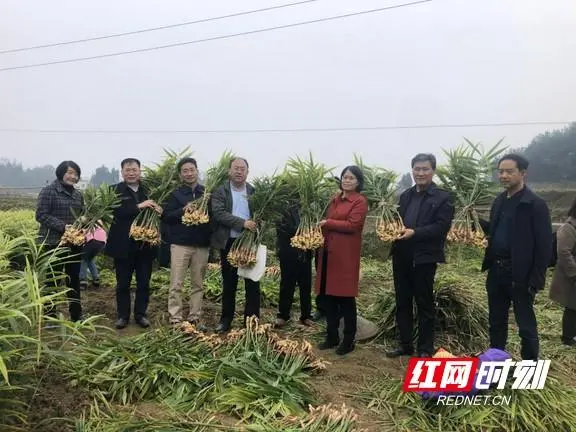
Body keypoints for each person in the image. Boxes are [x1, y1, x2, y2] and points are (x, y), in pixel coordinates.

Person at [481, 154, 552, 360]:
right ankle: (496, 363)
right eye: (501, 171)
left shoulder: (535, 204)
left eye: (509, 171)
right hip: (496, 271)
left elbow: (544, 246)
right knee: (496, 321)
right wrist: (475, 221)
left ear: (523, 173)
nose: (503, 176)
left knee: (525, 326)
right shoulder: (500, 201)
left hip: (520, 275)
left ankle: (529, 367)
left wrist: (536, 280)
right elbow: (494, 232)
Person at [387, 153, 454, 358]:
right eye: (417, 169)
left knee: (424, 303)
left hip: (424, 257)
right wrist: (391, 229)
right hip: (402, 255)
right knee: (402, 301)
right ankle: (405, 345)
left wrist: (415, 233)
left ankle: (424, 349)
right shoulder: (406, 195)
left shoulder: (442, 197)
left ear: (433, 171)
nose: (421, 173)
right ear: (412, 171)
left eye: (425, 169)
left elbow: (441, 227)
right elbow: (398, 220)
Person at [315, 165, 368, 355]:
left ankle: (348, 339)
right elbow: (326, 219)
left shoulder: (360, 201)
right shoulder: (335, 199)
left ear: (358, 182)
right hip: (328, 253)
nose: (347, 180)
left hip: (345, 256)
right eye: (345, 177)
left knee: (346, 299)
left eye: (351, 178)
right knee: (328, 298)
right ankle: (331, 336)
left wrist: (328, 223)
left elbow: (353, 225)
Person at [105, 158, 162, 329]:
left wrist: (159, 209)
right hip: (122, 244)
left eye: (134, 170)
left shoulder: (150, 190)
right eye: (127, 170)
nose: (131, 173)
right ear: (121, 172)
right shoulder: (113, 190)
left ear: (140, 171)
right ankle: (123, 316)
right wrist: (140, 206)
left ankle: (140, 314)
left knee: (144, 282)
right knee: (123, 283)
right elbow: (117, 211)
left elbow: (160, 209)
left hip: (145, 244)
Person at [161, 157, 211, 329]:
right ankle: (175, 317)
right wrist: (183, 210)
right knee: (176, 283)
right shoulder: (176, 194)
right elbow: (166, 216)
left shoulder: (206, 193)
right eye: (185, 171)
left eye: (192, 169)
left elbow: (214, 218)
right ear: (180, 175)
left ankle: (195, 317)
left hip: (201, 245)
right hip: (180, 244)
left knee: (198, 283)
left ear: (197, 171)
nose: (189, 173)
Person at [210, 157, 258, 333]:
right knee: (229, 283)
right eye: (235, 168)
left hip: (249, 243)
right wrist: (243, 223)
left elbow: (261, 214)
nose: (239, 171)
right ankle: (226, 320)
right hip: (229, 241)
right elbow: (218, 213)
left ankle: (252, 321)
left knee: (252, 282)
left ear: (247, 171)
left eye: (242, 168)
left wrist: (257, 223)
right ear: (229, 171)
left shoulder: (254, 191)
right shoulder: (221, 191)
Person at [36, 160, 85, 322]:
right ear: (61, 173)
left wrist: (83, 224)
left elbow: (82, 215)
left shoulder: (78, 195)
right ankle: (50, 316)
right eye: (69, 173)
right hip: (52, 242)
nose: (73, 176)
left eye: (75, 174)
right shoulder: (49, 191)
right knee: (52, 279)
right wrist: (64, 227)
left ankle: (76, 314)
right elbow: (41, 215)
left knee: (73, 278)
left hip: (73, 244)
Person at [275, 203, 314, 328]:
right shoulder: (282, 205)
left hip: (306, 251)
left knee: (306, 285)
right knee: (287, 284)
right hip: (288, 250)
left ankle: (306, 316)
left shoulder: (308, 207)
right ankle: (283, 315)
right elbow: (281, 228)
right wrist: (301, 232)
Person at [550, 198, 576, 346]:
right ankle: (568, 338)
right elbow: (564, 252)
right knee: (572, 305)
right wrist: (574, 273)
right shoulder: (569, 227)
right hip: (570, 275)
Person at [79, 222, 107, 290]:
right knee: (90, 260)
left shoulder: (86, 221)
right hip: (102, 243)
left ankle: (83, 281)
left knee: (83, 259)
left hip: (93, 240)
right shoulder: (97, 221)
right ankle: (96, 279)